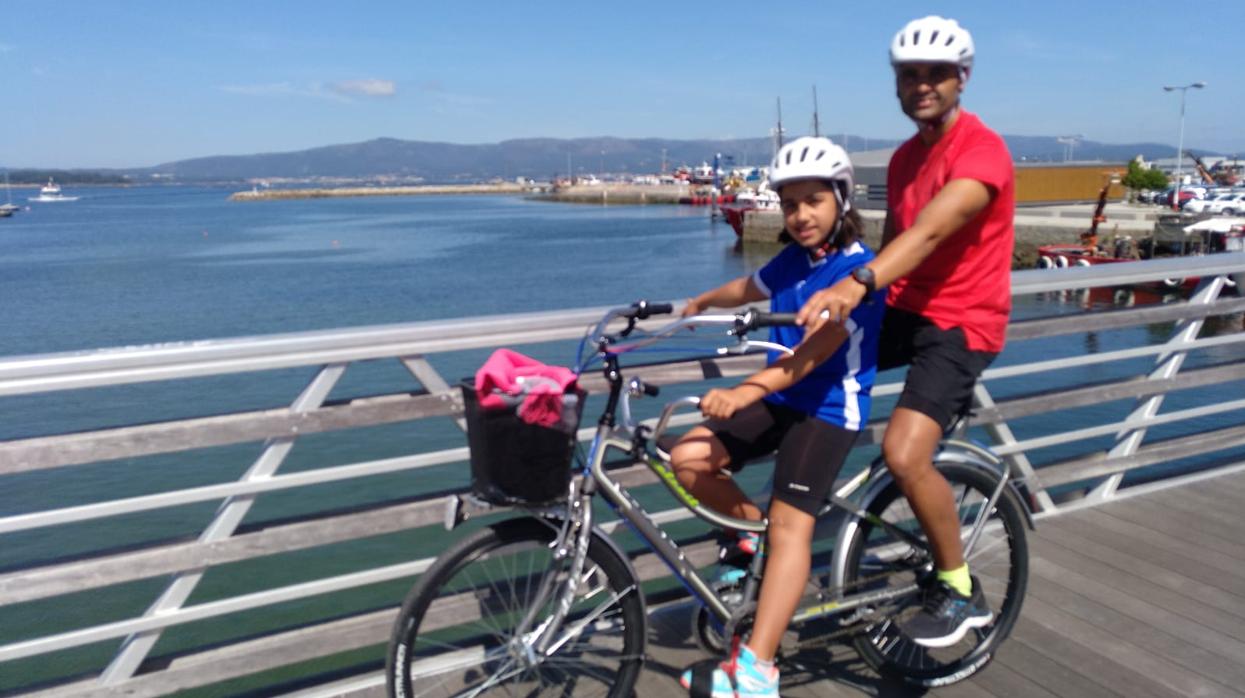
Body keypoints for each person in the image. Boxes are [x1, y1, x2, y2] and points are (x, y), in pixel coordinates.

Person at [796, 15, 1015, 648]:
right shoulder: (902, 158)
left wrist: (857, 286)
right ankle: (772, 521)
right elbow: (892, 241)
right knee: (805, 366)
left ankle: (959, 587)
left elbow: (930, 234)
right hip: (904, 309)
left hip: (962, 325)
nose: (922, 85)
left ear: (961, 79)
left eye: (936, 74)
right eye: (910, 75)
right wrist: (832, 294)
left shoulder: (982, 150)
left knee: (903, 451)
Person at [673, 136, 885, 697]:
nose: (799, 215)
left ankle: (757, 670)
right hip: (783, 397)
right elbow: (752, 287)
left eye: (813, 201)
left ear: (842, 199)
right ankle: (751, 542)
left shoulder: (856, 275)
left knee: (793, 524)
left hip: (829, 406)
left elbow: (808, 359)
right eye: (790, 204)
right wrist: (702, 301)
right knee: (688, 458)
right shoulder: (796, 257)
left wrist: (742, 393)